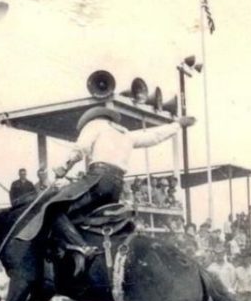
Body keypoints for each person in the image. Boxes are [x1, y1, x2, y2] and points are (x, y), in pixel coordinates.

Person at [15, 108, 194, 275]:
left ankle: (82, 248)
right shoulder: (125, 133)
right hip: (116, 186)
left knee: (52, 208)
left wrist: (64, 167)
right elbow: (154, 136)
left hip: (98, 179)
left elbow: (81, 148)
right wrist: (177, 125)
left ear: (92, 119)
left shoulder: (94, 125)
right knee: (82, 215)